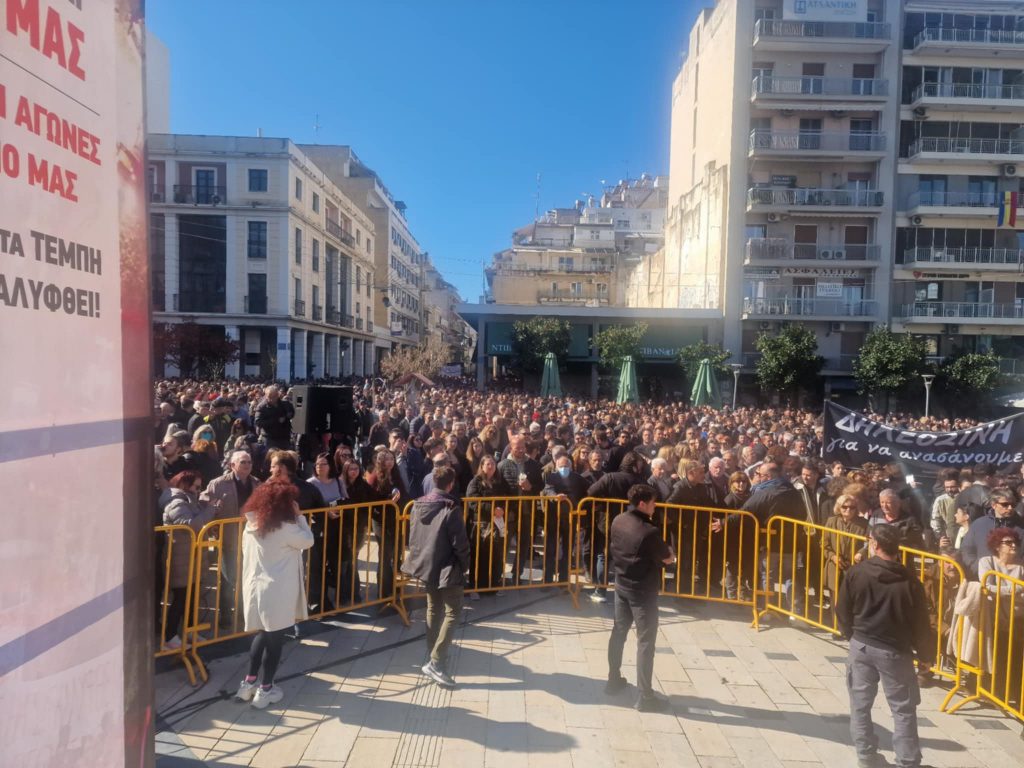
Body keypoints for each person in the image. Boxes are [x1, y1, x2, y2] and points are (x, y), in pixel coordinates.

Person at [837, 524, 933, 768]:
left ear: (874, 544)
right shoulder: (910, 581)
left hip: (862, 644)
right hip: (894, 651)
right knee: (903, 709)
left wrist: (851, 635)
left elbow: (842, 609)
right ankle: (908, 761)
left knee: (860, 704)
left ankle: (866, 755)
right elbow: (921, 621)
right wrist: (925, 655)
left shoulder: (857, 572)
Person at [234, 481, 314, 709]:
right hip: (277, 590)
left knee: (262, 634)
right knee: (275, 640)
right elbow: (308, 541)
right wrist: (300, 518)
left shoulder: (251, 525)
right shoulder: (286, 528)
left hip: (255, 587)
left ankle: (248, 683)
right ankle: (266, 689)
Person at [605, 484, 675, 712]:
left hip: (622, 584)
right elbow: (667, 558)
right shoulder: (649, 531)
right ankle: (645, 696)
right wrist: (670, 555)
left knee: (619, 632)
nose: (656, 505)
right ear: (643, 504)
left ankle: (613, 679)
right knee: (646, 642)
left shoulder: (618, 519)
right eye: (653, 502)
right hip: (642, 591)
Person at [401, 467, 471, 689]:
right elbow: (460, 544)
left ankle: (434, 654)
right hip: (448, 567)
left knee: (433, 609)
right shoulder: (451, 508)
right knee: (453, 611)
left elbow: (413, 536)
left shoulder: (417, 505)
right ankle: (437, 661)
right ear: (450, 484)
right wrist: (466, 565)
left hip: (427, 565)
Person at [159, 471, 215, 649]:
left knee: (192, 596)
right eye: (196, 487)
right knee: (181, 597)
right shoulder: (176, 502)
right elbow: (190, 524)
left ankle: (190, 631)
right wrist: (211, 509)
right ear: (184, 485)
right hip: (180, 557)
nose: (199, 491)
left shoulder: (189, 500)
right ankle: (170, 636)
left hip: (190, 555)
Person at [465, 455, 512, 597]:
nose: (490, 466)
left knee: (496, 555)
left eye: (492, 463)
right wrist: (492, 509)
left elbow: (508, 496)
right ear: (482, 466)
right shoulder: (476, 481)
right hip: (480, 524)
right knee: (479, 555)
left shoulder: (500, 481)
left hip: (497, 524)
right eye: (488, 464)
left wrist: (502, 509)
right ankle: (475, 587)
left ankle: (494, 585)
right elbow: (473, 501)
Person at [253, 385, 294, 451]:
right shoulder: (262, 407)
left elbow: (291, 412)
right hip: (270, 438)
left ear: (278, 395)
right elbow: (258, 422)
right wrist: (276, 421)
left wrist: (288, 415)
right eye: (270, 397)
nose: (272, 399)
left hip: (284, 437)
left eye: (274, 397)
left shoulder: (285, 404)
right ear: (266, 396)